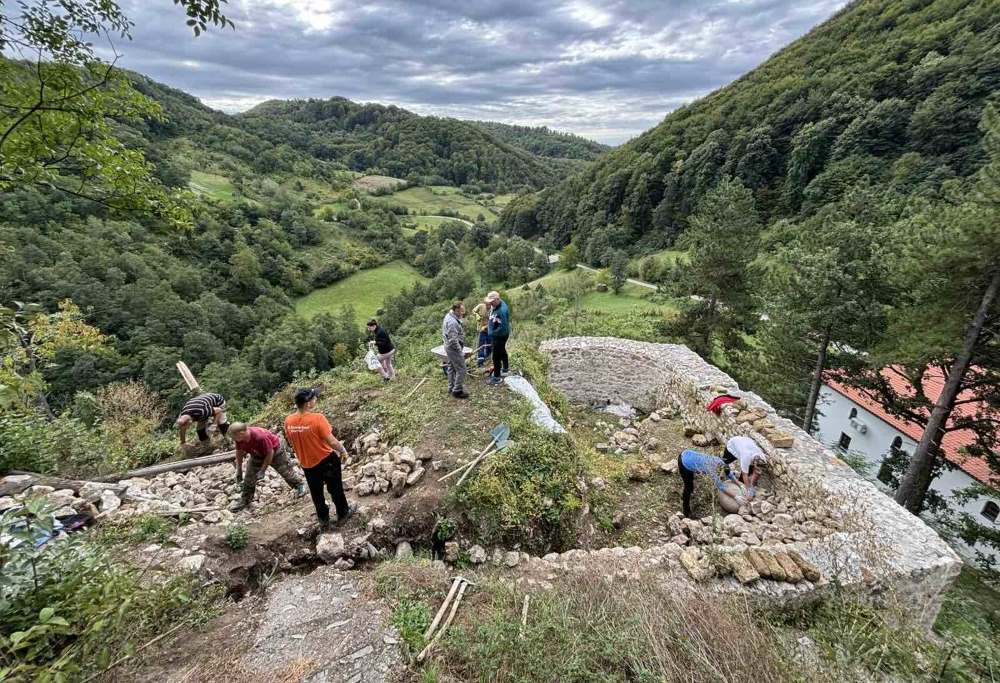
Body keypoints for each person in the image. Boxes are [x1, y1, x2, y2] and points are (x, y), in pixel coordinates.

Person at [284, 388, 353, 529]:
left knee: (316, 493)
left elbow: (291, 441)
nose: (316, 400)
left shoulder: (289, 420)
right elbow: (332, 441)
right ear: (308, 403)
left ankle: (323, 520)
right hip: (326, 460)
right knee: (335, 489)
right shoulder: (317, 418)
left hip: (306, 464)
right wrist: (343, 450)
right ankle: (343, 513)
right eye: (314, 398)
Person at [228, 422, 307, 512]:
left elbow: (270, 453)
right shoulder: (239, 439)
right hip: (256, 454)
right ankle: (246, 499)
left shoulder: (259, 436)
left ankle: (299, 485)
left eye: (234, 437)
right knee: (249, 477)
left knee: (285, 471)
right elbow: (239, 452)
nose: (233, 439)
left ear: (241, 433)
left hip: (276, 452)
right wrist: (239, 469)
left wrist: (263, 470)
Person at [677, 448, 740, 518]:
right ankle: (686, 511)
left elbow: (729, 474)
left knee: (692, 478)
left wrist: (740, 485)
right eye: (720, 473)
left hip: (689, 453)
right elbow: (721, 487)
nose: (720, 474)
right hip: (684, 462)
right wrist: (736, 496)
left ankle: (685, 496)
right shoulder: (711, 468)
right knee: (688, 487)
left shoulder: (721, 461)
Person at [442, 300, 469, 399]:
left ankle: (451, 387)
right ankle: (457, 391)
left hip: (448, 347)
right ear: (456, 310)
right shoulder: (452, 322)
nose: (463, 313)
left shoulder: (450, 315)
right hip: (453, 348)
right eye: (462, 311)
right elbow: (453, 340)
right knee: (462, 369)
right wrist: (459, 351)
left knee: (451, 367)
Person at [484, 291, 510, 386]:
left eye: (492, 301)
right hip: (498, 334)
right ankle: (506, 369)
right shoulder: (496, 305)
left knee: (496, 356)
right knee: (502, 350)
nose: (490, 303)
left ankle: (497, 378)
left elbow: (503, 328)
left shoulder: (501, 311)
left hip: (500, 336)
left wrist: (492, 333)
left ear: (497, 299)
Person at [471, 301, 492, 368]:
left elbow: (492, 321)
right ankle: (480, 362)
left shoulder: (493, 309)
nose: (487, 306)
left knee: (489, 345)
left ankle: (488, 359)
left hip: (489, 329)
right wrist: (476, 315)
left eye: (489, 305)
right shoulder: (480, 306)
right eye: (486, 304)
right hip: (481, 330)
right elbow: (473, 311)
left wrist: (485, 327)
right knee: (481, 345)